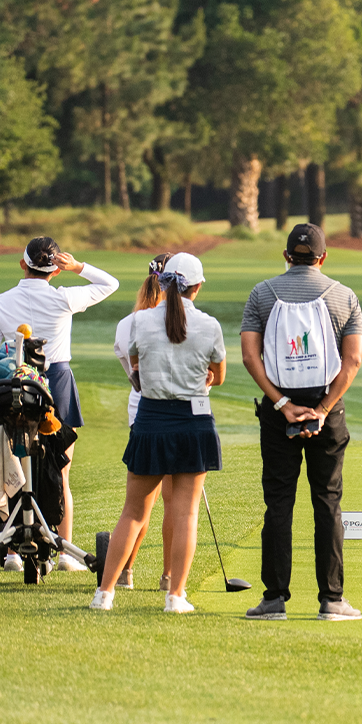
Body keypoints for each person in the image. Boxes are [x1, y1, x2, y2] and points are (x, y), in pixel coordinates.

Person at [239, 224, 362, 621]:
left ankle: (274, 599)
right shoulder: (344, 296)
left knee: (279, 503)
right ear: (323, 257)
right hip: (326, 411)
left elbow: (249, 356)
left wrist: (281, 405)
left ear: (286, 255)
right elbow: (353, 361)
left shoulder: (262, 293)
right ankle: (332, 600)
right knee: (327, 503)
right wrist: (324, 409)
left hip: (280, 413)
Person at [90, 253, 225, 613]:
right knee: (184, 513)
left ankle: (104, 594)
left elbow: (135, 369)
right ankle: (175, 596)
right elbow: (219, 375)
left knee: (132, 512)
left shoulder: (138, 322)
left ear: (162, 283)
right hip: (193, 421)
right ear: (196, 287)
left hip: (150, 420)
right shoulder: (209, 325)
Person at [0, 236, 119, 571]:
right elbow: (110, 283)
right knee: (60, 471)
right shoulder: (64, 298)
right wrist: (77, 267)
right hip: (56, 384)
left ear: (23, 265)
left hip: (15, 386)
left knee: (16, 465)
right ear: (54, 270)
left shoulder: (1, 301)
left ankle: (13, 551)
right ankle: (65, 554)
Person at [110, 254, 175, 592]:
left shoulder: (128, 323)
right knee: (175, 504)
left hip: (141, 413)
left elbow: (133, 375)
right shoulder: (186, 321)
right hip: (177, 415)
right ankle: (168, 578)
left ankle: (125, 572)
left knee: (139, 504)